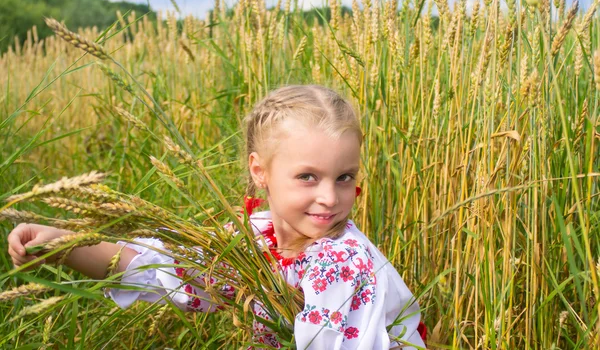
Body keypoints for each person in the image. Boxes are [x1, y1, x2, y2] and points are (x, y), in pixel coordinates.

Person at [7, 85, 426, 349]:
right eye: (307, 177)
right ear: (260, 171)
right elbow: (158, 270)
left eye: (344, 177)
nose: (329, 197)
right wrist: (62, 245)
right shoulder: (254, 238)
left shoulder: (340, 264)